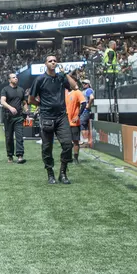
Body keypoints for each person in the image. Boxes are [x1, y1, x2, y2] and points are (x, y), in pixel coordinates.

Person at [29, 55, 78, 184]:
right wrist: (42, 105)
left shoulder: (61, 78)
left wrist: (65, 73)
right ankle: (50, 173)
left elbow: (75, 87)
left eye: (55, 61)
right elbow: (30, 99)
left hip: (62, 116)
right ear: (45, 63)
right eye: (50, 61)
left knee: (68, 144)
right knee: (46, 147)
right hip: (46, 117)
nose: (53, 62)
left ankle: (63, 172)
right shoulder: (40, 80)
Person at [0, 73, 27, 163]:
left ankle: (20, 155)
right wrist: (10, 108)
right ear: (9, 80)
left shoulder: (21, 90)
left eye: (16, 77)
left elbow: (24, 102)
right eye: (13, 77)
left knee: (19, 136)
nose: (16, 78)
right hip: (8, 117)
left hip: (19, 117)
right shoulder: (5, 89)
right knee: (9, 137)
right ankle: (10, 155)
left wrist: (26, 109)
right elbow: (2, 101)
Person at [64, 82, 86, 163]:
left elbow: (84, 104)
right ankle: (67, 158)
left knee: (75, 141)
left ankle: (75, 158)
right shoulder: (65, 92)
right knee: (66, 141)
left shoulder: (77, 92)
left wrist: (78, 115)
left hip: (74, 122)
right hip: (65, 122)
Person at [79, 79, 94, 146]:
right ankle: (84, 140)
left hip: (85, 110)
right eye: (83, 83)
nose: (84, 84)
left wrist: (89, 104)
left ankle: (85, 140)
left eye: (85, 83)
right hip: (83, 110)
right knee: (83, 125)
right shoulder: (84, 91)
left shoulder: (88, 90)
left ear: (88, 84)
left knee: (83, 124)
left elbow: (91, 97)